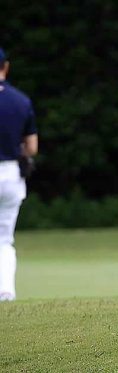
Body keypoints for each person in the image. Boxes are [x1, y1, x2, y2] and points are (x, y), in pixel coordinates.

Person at [0, 47, 38, 301]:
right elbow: (32, 147)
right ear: (6, 66)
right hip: (11, 174)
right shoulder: (21, 100)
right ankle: (5, 291)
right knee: (4, 238)